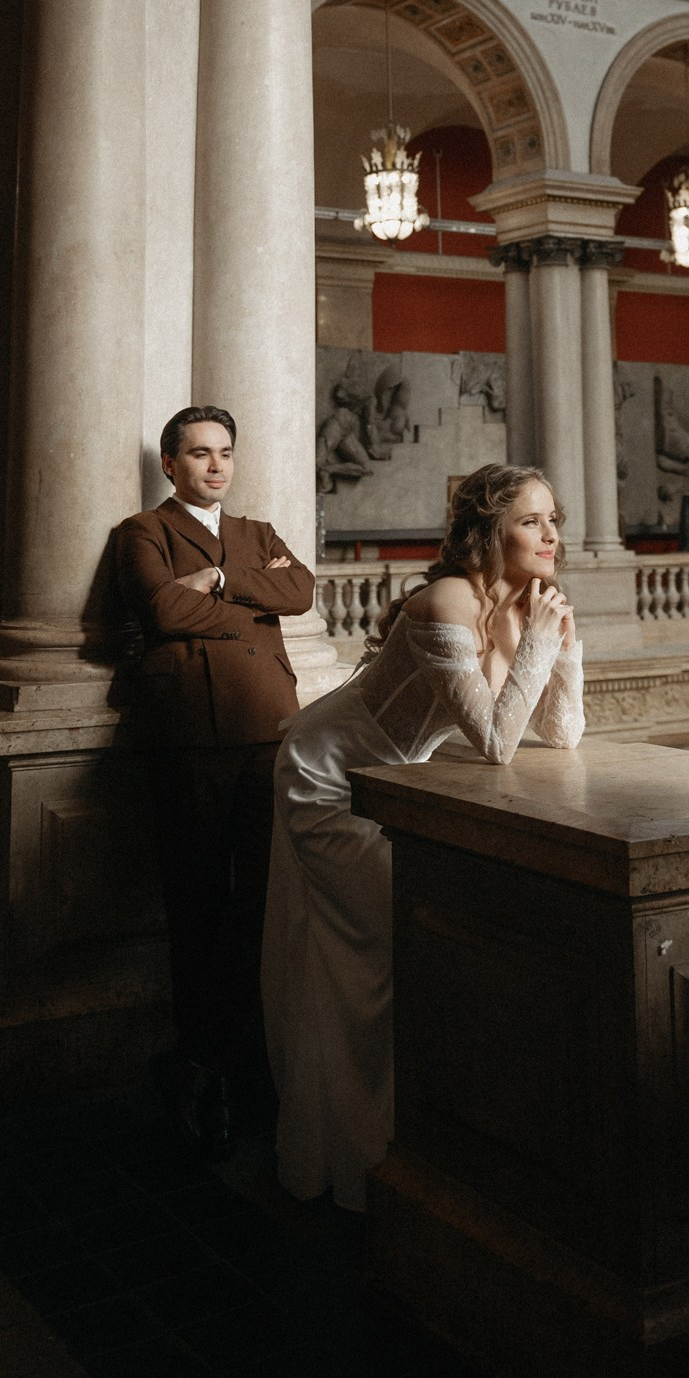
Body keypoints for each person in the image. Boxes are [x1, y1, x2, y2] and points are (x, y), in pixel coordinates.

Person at [262, 462, 584, 1212]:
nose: (552, 536)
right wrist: (537, 642)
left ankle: (405, 1149)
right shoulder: (446, 601)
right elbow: (498, 742)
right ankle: (365, 1157)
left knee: (401, 958)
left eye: (554, 521)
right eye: (533, 521)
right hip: (330, 779)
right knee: (384, 956)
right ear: (488, 529)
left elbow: (562, 732)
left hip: (401, 785)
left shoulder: (524, 610)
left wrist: (563, 643)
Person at [116, 407, 315, 1160]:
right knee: (197, 901)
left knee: (260, 901)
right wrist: (241, 594)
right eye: (199, 454)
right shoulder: (144, 532)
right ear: (171, 464)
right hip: (191, 735)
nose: (216, 466)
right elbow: (164, 608)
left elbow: (302, 594)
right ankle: (201, 1063)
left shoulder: (256, 534)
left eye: (225, 453)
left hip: (268, 728)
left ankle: (238, 1057)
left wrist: (223, 578)